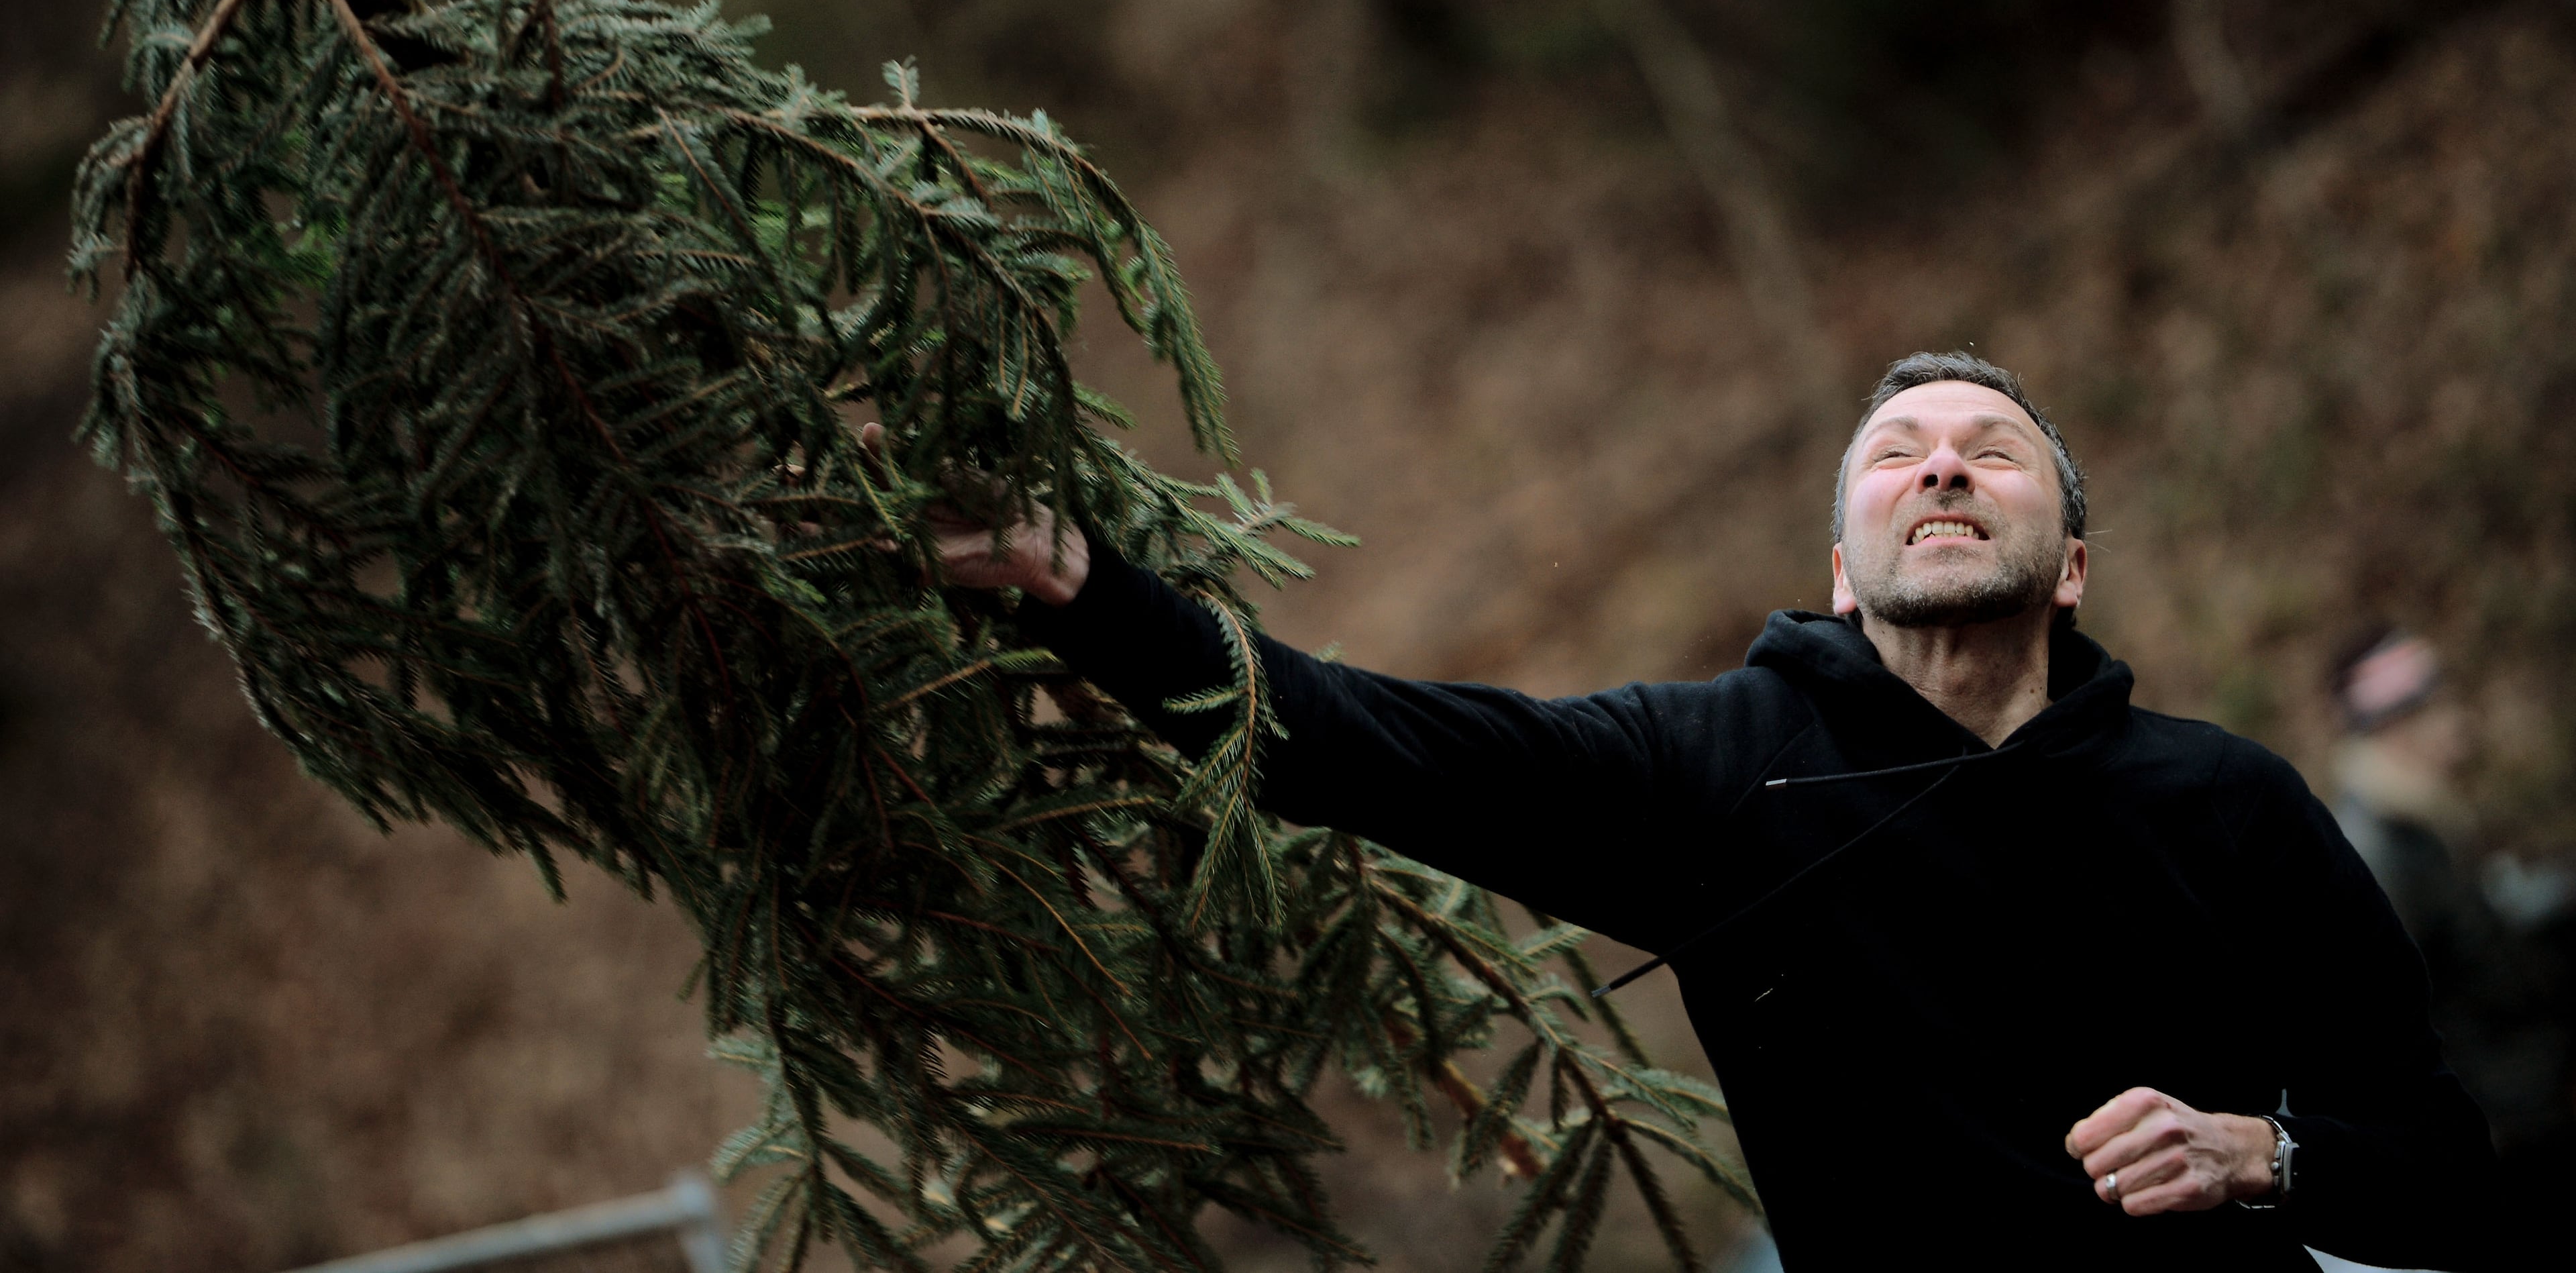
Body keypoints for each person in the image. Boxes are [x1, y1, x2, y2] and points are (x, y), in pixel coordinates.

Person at [906, 352, 2500, 1269]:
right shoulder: (1717, 767)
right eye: (1897, 456)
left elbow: (2445, 1170)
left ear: (2069, 563)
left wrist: (2259, 1151)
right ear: (1841, 569)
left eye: (1992, 454)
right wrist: (1086, 590)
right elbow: (1354, 744)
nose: (1943, 471)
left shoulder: (2228, 798)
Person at [2329, 630, 2574, 1262]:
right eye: (2435, 708)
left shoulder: (2421, 825)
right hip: (2500, 1142)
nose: (2458, 723)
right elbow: (2389, 1031)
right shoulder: (2383, 854)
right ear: (2395, 729)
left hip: (2526, 1114)